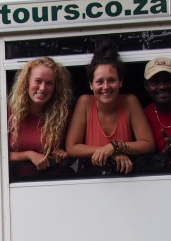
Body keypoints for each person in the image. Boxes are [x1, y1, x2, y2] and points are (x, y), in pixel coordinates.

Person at [66, 41, 154, 174]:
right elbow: (72, 147)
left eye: (111, 80)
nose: (106, 87)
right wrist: (109, 152)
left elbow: (148, 145)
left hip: (127, 179)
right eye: (99, 81)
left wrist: (116, 147)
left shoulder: (130, 102)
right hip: (91, 180)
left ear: (121, 82)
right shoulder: (85, 103)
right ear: (91, 84)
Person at [8, 57, 73, 179]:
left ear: (55, 87)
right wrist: (29, 155)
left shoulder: (63, 115)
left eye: (49, 83)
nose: (43, 88)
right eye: (38, 81)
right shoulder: (9, 112)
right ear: (27, 81)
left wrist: (62, 156)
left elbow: (72, 153)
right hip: (16, 185)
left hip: (53, 182)